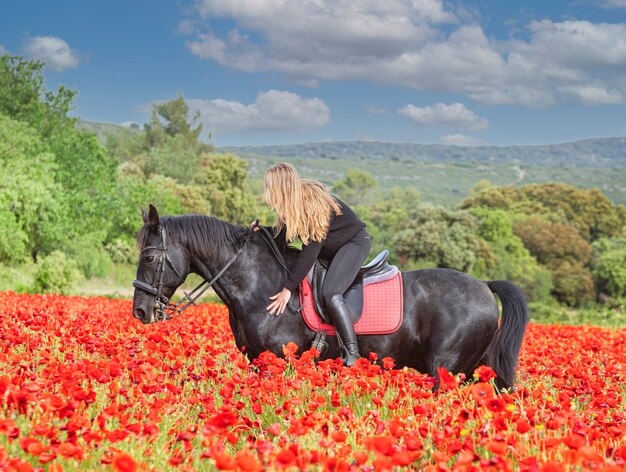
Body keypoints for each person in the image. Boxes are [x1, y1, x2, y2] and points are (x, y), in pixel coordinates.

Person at [261, 163, 371, 366]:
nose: (266, 191)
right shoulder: (291, 205)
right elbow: (283, 237)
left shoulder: (311, 202)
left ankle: (352, 353)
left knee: (330, 293)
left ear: (279, 187)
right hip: (332, 249)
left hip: (354, 243)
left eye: (269, 186)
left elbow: (309, 252)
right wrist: (261, 233)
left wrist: (287, 289)